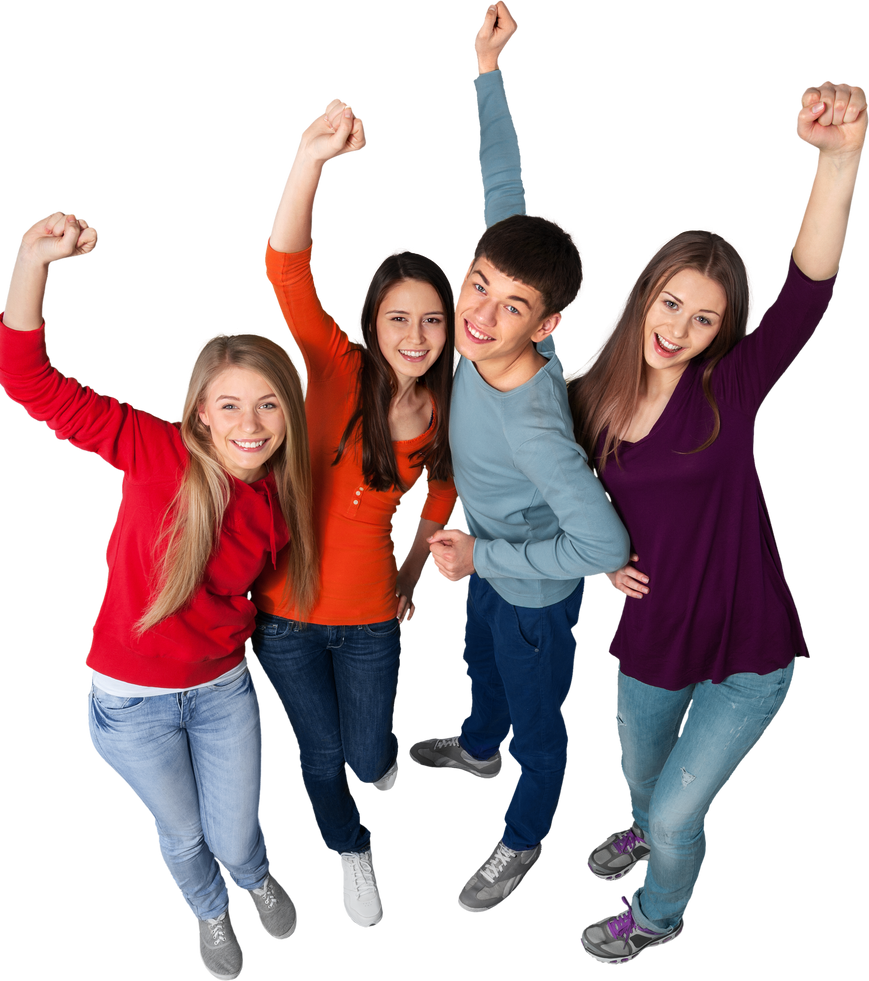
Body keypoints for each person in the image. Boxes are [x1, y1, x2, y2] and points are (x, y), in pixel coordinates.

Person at [564, 79, 867, 964]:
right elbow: (550, 498)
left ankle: (659, 911)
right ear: (644, 295)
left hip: (749, 651)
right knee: (637, 783)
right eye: (671, 304)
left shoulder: (727, 390)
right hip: (650, 639)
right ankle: (640, 826)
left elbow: (808, 286)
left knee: (674, 815)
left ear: (724, 330)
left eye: (706, 318)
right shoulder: (584, 398)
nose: (681, 327)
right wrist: (593, 559)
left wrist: (838, 159)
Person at [0, 210, 319, 981]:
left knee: (238, 833)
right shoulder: (157, 451)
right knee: (182, 834)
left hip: (222, 690)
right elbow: (25, 379)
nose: (251, 423)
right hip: (132, 704)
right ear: (201, 409)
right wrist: (31, 258)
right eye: (231, 405)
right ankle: (210, 909)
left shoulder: (281, 492)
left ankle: (253, 877)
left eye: (269, 404)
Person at [406, 1, 630, 915]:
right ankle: (476, 745)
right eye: (477, 284)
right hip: (486, 559)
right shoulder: (490, 292)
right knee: (477, 664)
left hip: (533, 582)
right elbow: (503, 180)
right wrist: (486, 70)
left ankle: (522, 837)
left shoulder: (538, 429)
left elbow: (606, 548)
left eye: (508, 307)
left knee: (540, 726)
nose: (477, 313)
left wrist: (484, 556)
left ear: (546, 327)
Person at [248, 99, 459, 930]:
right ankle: (352, 849)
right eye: (397, 317)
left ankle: (367, 777)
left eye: (431, 319)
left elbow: (440, 497)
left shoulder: (447, 415)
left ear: (449, 331)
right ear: (370, 321)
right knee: (323, 756)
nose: (414, 333)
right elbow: (285, 268)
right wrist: (309, 156)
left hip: (374, 618)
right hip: (285, 619)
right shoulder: (334, 369)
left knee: (372, 755)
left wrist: (413, 570)